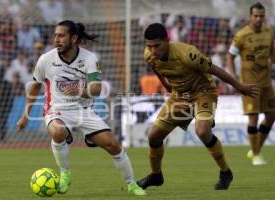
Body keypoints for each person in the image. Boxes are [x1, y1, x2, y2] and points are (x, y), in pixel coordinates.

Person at [16, 20, 146, 196]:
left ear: (74, 38)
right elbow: (35, 86)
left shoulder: (89, 58)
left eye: (61, 35)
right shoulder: (45, 60)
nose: (56, 39)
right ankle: (65, 173)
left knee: (113, 144)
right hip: (57, 109)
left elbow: (96, 90)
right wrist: (25, 115)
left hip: (84, 111)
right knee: (59, 131)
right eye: (55, 35)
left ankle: (132, 184)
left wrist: (79, 90)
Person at [136, 23, 259, 190]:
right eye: (149, 46)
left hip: (203, 92)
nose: (153, 50)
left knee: (202, 131)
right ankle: (156, 175)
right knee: (153, 137)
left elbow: (216, 70)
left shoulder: (188, 54)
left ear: (167, 40)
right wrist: (167, 87)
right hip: (179, 96)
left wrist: (240, 87)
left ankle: (225, 172)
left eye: (157, 45)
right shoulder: (149, 55)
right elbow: (157, 68)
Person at [227, 2, 275, 166]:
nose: (259, 19)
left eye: (261, 16)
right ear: (250, 17)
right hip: (249, 84)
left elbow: (272, 54)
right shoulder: (241, 35)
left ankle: (255, 149)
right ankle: (256, 155)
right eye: (256, 16)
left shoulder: (269, 32)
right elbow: (230, 57)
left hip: (266, 82)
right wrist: (233, 79)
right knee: (253, 118)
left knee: (271, 116)